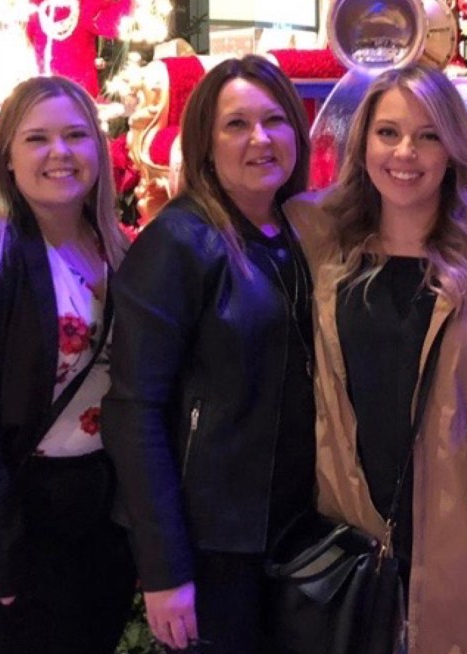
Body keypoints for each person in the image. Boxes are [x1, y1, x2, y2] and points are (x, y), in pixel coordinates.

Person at [284, 64, 467, 654]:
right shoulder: (319, 245)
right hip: (351, 552)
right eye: (388, 133)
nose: (406, 152)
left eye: (429, 135)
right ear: (362, 143)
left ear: (454, 148)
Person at [101, 55, 315, 653]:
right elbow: (134, 411)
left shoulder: (300, 232)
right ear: (205, 143)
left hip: (292, 530)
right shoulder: (178, 242)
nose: (260, 139)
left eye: (275, 120)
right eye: (236, 124)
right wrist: (165, 568)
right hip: (211, 543)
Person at [0, 75, 135, 653]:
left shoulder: (116, 247)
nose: (60, 152)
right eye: (37, 138)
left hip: (100, 512)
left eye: (76, 135)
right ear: (7, 157)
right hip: (18, 508)